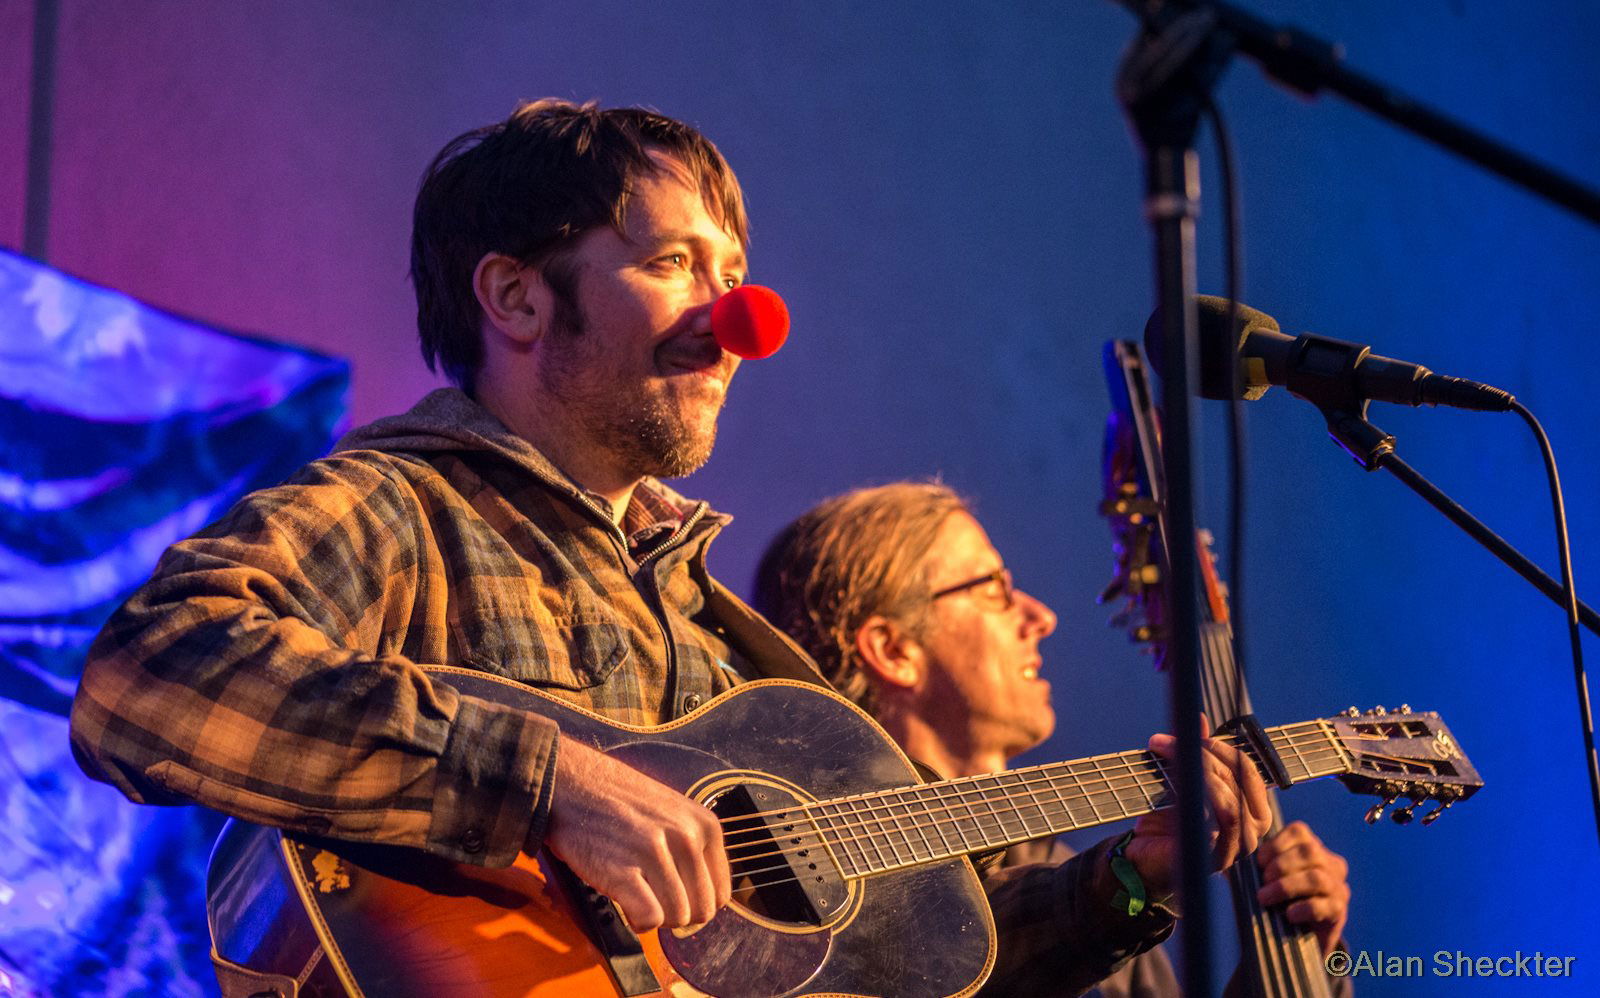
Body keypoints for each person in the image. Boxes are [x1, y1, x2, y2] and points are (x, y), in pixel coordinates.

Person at [69, 98, 1273, 995]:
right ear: (518, 297)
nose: (738, 321)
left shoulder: (714, 636)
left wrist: (1128, 881)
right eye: (673, 264)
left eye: (734, 273)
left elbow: (896, 968)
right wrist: (546, 781)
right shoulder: (406, 508)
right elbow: (145, 676)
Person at [754, 482, 1353, 997]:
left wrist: (1305, 956)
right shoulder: (797, 887)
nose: (1041, 617)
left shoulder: (1094, 886)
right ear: (894, 650)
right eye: (993, 588)